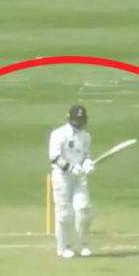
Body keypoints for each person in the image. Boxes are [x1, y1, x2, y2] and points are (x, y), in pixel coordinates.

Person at [49, 105, 95, 258]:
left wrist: (87, 163)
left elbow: (85, 155)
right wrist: (70, 168)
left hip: (79, 177)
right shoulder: (58, 134)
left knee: (83, 209)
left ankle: (83, 244)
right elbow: (54, 157)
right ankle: (64, 246)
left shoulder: (86, 137)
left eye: (81, 120)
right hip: (62, 177)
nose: (79, 123)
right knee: (64, 214)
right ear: (70, 119)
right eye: (76, 120)